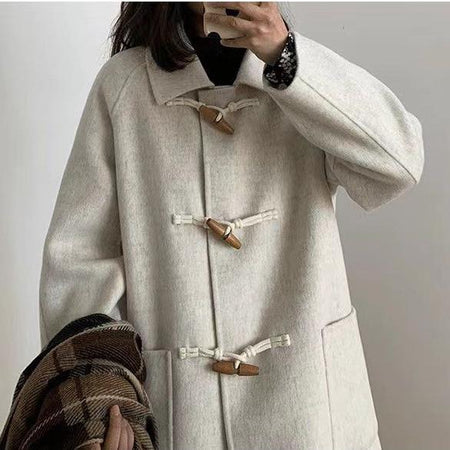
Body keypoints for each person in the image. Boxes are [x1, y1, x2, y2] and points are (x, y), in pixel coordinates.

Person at [39, 2, 424, 449]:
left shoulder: (303, 81)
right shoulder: (123, 88)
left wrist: (286, 57)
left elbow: (398, 165)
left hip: (312, 410)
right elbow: (79, 266)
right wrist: (95, 409)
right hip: (185, 414)